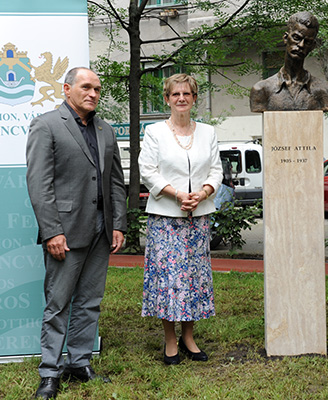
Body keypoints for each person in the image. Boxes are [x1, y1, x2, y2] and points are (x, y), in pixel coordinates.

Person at [26, 67, 127, 399]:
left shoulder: (105, 129)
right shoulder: (47, 125)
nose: (93, 93)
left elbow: (115, 182)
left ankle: (79, 363)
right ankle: (50, 372)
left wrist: (118, 224)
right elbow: (39, 185)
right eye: (86, 87)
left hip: (101, 230)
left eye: (97, 89)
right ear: (67, 89)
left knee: (90, 301)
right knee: (58, 303)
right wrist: (52, 231)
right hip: (65, 233)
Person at [138, 73, 223, 365]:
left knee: (193, 279)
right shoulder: (154, 132)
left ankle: (189, 337)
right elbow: (147, 170)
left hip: (197, 217)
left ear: (195, 98)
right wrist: (177, 194)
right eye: (175, 94)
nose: (181, 99)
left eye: (187, 94)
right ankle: (170, 340)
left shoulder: (208, 133)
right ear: (167, 99)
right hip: (165, 217)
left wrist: (202, 193)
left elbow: (216, 170)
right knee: (168, 280)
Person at [249, 11, 328, 112]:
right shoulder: (261, 90)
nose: (301, 45)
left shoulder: (326, 91)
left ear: (312, 46)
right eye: (296, 38)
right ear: (286, 38)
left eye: (307, 42)